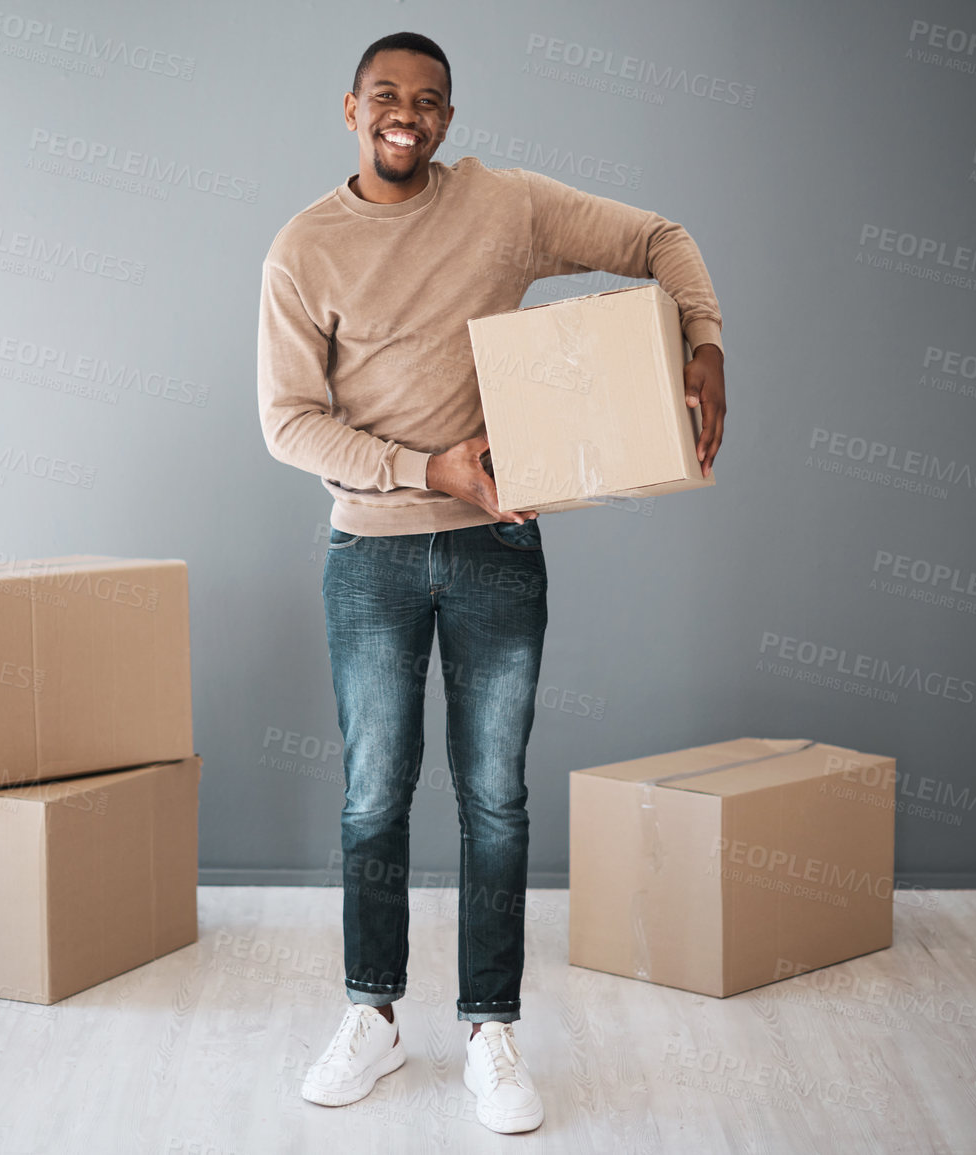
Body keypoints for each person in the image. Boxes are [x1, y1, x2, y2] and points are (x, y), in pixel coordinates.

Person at [255, 30, 725, 1136]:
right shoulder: (304, 247)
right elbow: (287, 423)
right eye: (385, 97)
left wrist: (705, 342)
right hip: (368, 553)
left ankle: (489, 1031)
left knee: (496, 798)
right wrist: (431, 470)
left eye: (427, 100)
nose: (404, 115)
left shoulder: (505, 207)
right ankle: (371, 1014)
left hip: (496, 551)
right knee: (375, 794)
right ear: (351, 110)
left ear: (450, 120)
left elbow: (661, 237)